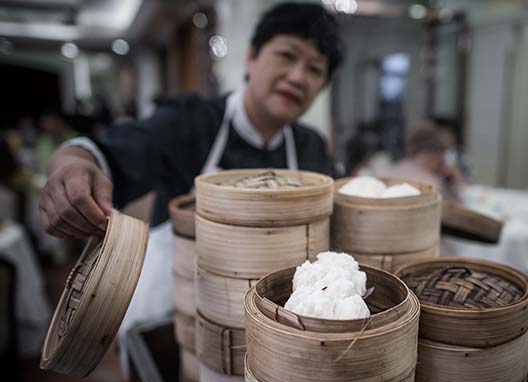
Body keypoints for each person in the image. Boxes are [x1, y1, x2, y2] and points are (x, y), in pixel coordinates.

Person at [40, 1, 342, 361]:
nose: (297, 76)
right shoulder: (190, 121)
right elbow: (97, 154)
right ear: (251, 57)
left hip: (272, 333)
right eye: (287, 55)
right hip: (172, 316)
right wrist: (71, 164)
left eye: (314, 69)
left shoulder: (310, 147)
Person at [376, 121, 465, 201]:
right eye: (441, 158)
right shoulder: (431, 184)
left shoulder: (395, 168)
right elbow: (458, 203)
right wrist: (455, 177)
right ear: (434, 156)